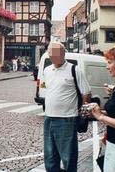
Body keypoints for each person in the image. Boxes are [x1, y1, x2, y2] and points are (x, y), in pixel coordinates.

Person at [41, 42, 91, 172]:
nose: (52, 56)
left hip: (67, 119)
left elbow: (86, 93)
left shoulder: (74, 70)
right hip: (49, 118)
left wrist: (83, 114)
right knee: (50, 157)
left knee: (68, 157)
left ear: (63, 54)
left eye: (55, 53)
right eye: (50, 54)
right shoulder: (47, 70)